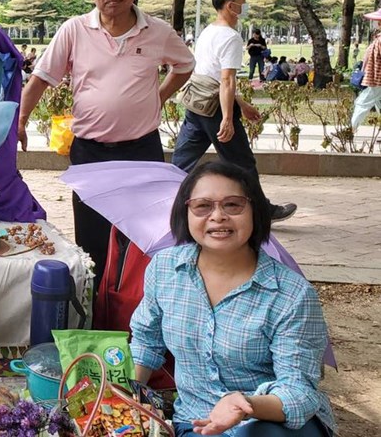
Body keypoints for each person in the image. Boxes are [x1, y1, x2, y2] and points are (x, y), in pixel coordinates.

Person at [17, 0, 195, 284]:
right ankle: (95, 308)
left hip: (142, 151)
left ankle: (135, 309)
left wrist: (157, 97)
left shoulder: (157, 31)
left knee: (141, 238)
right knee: (92, 238)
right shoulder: (75, 29)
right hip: (91, 153)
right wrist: (21, 119)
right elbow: (40, 78)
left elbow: (184, 66)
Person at [131, 160, 336, 437]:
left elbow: (299, 391)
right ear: (186, 213)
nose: (218, 216)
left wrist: (245, 405)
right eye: (203, 206)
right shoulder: (165, 269)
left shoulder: (291, 294)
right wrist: (129, 399)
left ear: (255, 211)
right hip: (195, 421)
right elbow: (147, 341)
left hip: (270, 425)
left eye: (233, 205)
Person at [172, 0, 296, 223]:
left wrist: (242, 105)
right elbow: (226, 80)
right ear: (231, 5)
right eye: (243, 0)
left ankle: (167, 203)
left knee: (182, 162)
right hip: (216, 109)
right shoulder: (231, 37)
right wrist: (228, 118)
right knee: (241, 162)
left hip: (196, 103)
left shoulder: (208, 31)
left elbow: (212, 76)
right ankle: (263, 212)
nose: (245, 5)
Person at [351, 29, 381, 130]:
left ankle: (351, 130)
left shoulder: (379, 41)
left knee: (362, 103)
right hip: (375, 79)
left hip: (377, 80)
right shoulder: (377, 40)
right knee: (377, 103)